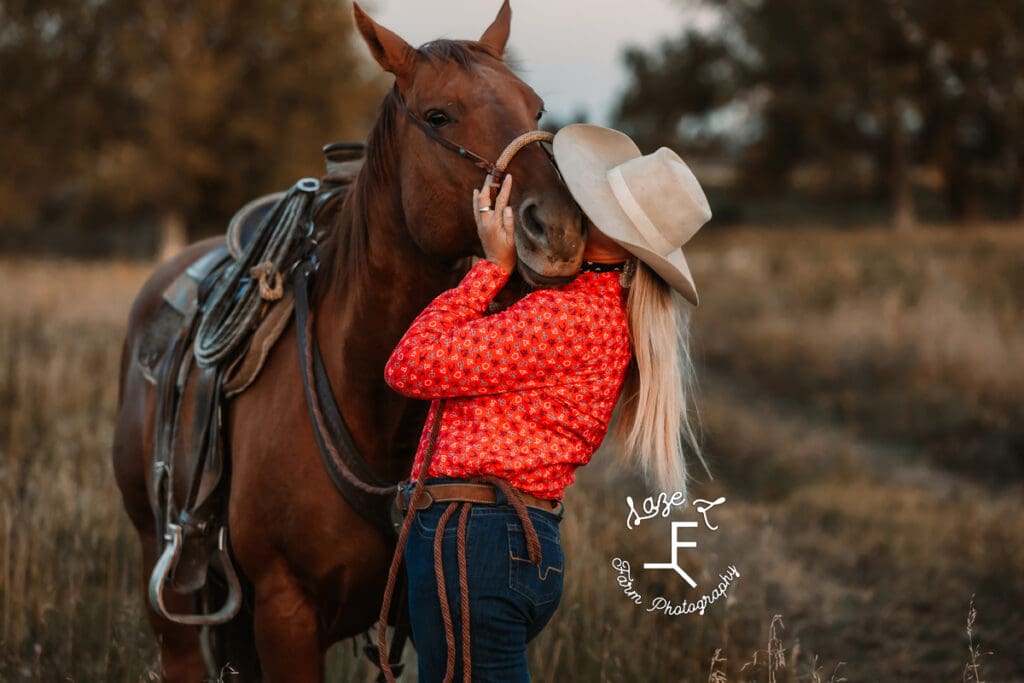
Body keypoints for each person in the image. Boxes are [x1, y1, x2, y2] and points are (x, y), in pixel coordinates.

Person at [381, 123, 713, 682]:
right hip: (508, 540)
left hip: (475, 540)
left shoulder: (569, 316)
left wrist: (491, 269)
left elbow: (409, 364)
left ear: (606, 224)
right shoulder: (605, 315)